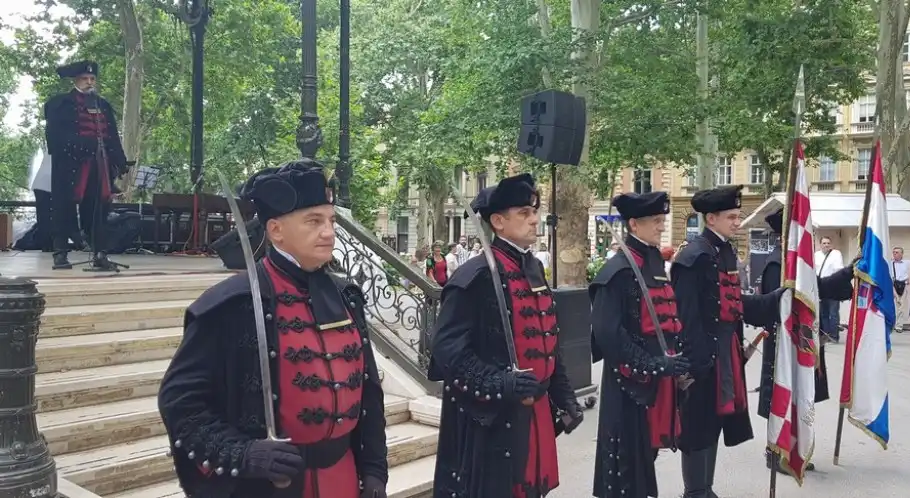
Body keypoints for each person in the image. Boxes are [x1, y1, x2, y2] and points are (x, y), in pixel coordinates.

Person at [157, 160, 388, 498]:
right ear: (277, 230)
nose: (329, 232)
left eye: (331, 220)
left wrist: (374, 470)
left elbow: (369, 393)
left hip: (344, 479)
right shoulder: (230, 304)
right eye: (314, 221)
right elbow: (179, 402)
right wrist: (243, 454)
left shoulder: (346, 297)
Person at [428, 173, 583, 498]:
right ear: (498, 221)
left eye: (534, 212)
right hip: (493, 421)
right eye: (524, 213)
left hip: (535, 412)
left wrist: (564, 395)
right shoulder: (475, 275)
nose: (534, 220)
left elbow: (547, 341)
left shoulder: (534, 269)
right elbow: (447, 352)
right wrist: (501, 383)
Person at [670, 186, 787, 498]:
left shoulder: (722, 251)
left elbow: (735, 305)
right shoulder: (693, 257)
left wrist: (778, 299)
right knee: (697, 427)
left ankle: (705, 489)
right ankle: (695, 492)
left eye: (738, 216)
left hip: (724, 356)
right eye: (732, 217)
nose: (738, 222)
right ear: (711, 218)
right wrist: (696, 366)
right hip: (702, 360)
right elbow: (686, 317)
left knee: (712, 426)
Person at [589, 191, 691, 498]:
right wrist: (654, 364)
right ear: (634, 224)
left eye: (663, 220)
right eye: (656, 221)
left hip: (658, 384)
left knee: (647, 459)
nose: (662, 227)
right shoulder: (619, 270)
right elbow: (608, 334)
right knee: (625, 468)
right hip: (629, 384)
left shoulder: (653, 265)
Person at [754, 208, 856, 474]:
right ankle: (776, 452)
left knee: (801, 394)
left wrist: (848, 272)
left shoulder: (798, 264)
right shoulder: (778, 264)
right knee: (782, 394)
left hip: (802, 341)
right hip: (783, 345)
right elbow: (774, 307)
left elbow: (817, 288)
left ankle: (795, 449)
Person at [44, 60, 128, 270]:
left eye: (92, 79)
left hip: (98, 166)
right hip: (71, 165)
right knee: (63, 207)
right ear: (76, 80)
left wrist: (120, 159)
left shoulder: (103, 105)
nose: (89, 82)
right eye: (85, 79)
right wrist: (81, 145)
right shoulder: (59, 104)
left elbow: (112, 136)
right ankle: (60, 253)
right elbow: (55, 137)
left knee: (98, 210)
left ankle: (100, 253)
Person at [814, 236, 844, 342]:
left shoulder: (836, 254)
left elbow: (839, 271)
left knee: (833, 313)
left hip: (833, 287)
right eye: (824, 243)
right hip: (821, 288)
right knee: (823, 313)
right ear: (820, 244)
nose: (826, 245)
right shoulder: (816, 255)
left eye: (828, 243)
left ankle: (834, 336)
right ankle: (826, 335)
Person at [890, 247, 910, 333]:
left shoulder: (908, 263)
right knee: (893, 306)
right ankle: (891, 324)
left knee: (902, 307)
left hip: (904, 284)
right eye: (894, 252)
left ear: (902, 254)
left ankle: (899, 325)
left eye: (897, 252)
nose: (895, 254)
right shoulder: (890, 263)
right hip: (893, 285)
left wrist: (909, 280)